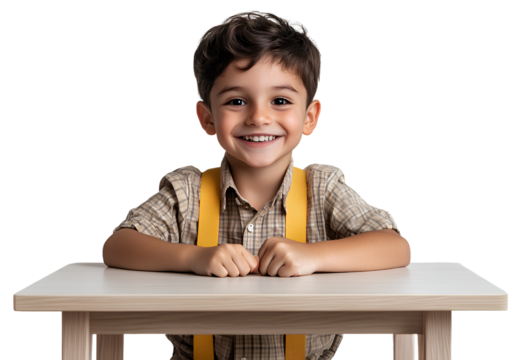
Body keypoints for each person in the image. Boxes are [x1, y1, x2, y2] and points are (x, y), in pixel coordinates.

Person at [102, 8, 411, 360]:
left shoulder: (323, 187)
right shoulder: (185, 191)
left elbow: (394, 247)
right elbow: (118, 245)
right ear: (207, 118)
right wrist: (194, 257)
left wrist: (313, 256)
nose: (259, 117)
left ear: (309, 118)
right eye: (236, 101)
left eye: (280, 101)